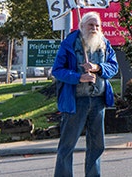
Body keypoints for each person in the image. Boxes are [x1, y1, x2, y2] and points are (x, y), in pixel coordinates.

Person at [52, 11, 120, 177]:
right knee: (67, 146)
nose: (94, 28)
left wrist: (98, 68)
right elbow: (57, 70)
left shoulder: (104, 43)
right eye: (90, 25)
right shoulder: (69, 44)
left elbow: (113, 67)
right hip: (76, 101)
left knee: (97, 146)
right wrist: (79, 77)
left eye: (97, 25)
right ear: (81, 26)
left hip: (98, 100)